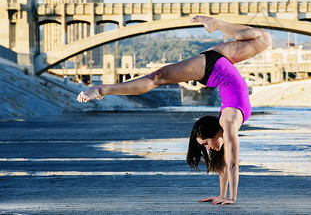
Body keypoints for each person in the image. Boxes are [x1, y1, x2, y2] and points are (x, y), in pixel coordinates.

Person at [77, 16, 272, 204]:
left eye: (204, 144)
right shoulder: (228, 123)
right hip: (215, 66)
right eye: (205, 143)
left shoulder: (227, 122)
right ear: (213, 132)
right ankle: (102, 89)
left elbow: (224, 164)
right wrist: (230, 198)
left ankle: (216, 23)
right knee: (157, 77)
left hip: (220, 62)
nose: (207, 148)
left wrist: (224, 196)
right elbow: (232, 164)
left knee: (265, 38)